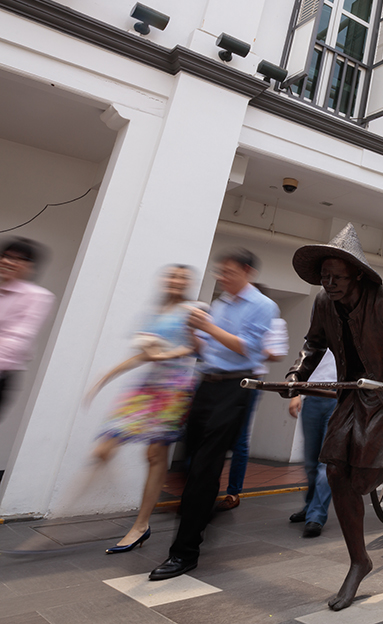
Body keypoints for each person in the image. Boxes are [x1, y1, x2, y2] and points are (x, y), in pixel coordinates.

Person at [285, 224, 383, 611]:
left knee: (365, 479)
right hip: (351, 393)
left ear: (356, 273)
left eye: (337, 276)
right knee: (336, 471)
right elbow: (314, 343)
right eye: (324, 276)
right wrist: (296, 375)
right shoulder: (324, 303)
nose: (330, 282)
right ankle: (359, 560)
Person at [148, 248, 279, 580]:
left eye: (229, 272)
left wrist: (208, 325)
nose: (222, 277)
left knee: (205, 467)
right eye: (220, 272)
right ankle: (202, 510)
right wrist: (194, 331)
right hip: (205, 383)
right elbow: (206, 347)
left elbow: (248, 348)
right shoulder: (220, 304)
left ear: (247, 272)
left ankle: (184, 553)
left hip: (236, 389)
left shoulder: (263, 306)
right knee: (192, 462)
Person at [84, 265, 200, 554]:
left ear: (188, 283)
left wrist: (170, 353)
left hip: (174, 389)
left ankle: (140, 525)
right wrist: (106, 375)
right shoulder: (153, 314)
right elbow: (143, 355)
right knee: (103, 448)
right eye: (172, 276)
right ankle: (117, 499)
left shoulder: (194, 310)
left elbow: (198, 346)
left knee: (154, 455)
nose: (175, 281)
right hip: (146, 388)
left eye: (182, 278)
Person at [217, 312, 289, 511]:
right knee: (215, 436)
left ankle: (233, 493)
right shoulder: (231, 316)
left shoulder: (273, 322)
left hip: (248, 383)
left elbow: (277, 352)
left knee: (239, 438)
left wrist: (251, 347)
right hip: (223, 380)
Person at [0, 238, 54, 419]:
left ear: (31, 267)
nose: (7, 262)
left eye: (18, 259)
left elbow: (17, 340)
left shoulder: (37, 297)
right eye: (5, 256)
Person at [287, 351, 337, 538]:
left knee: (326, 461)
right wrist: (295, 393)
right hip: (312, 397)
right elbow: (303, 361)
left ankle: (316, 515)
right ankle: (310, 507)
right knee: (310, 462)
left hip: (337, 399)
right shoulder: (319, 336)